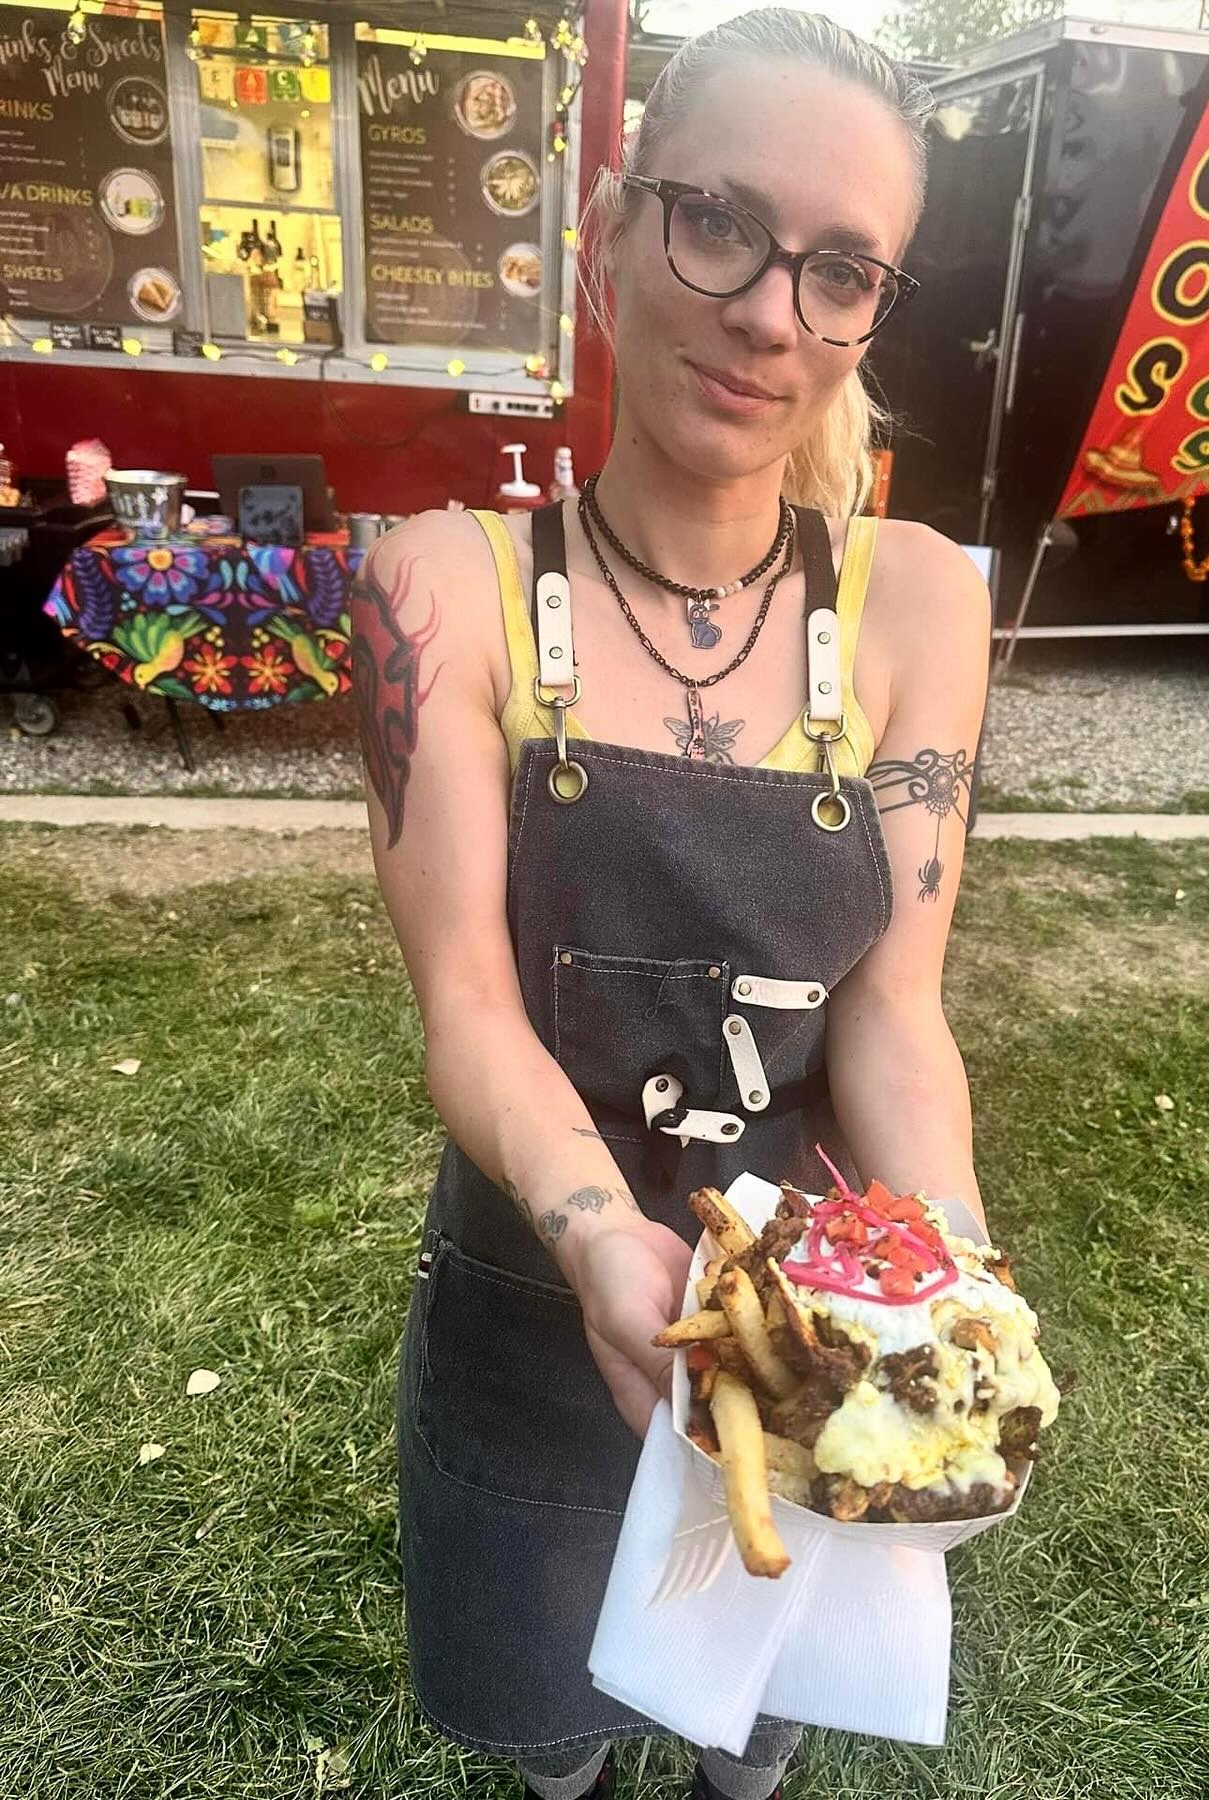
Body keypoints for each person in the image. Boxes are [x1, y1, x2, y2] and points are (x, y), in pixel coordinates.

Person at [352, 11, 991, 1798]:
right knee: (552, 1728)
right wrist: (593, 1239)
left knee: (755, 1722)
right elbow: (471, 1006)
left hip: (807, 1331)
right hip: (534, 1291)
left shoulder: (919, 604)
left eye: (842, 269)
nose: (773, 312)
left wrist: (947, 1290)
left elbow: (893, 1011)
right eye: (720, 223)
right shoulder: (442, 591)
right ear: (609, 238)